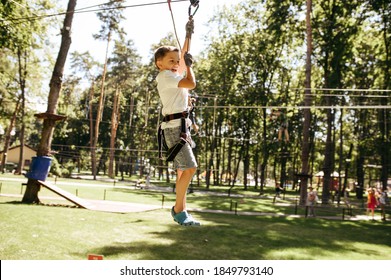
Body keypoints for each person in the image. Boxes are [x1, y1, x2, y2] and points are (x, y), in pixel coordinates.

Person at [154, 19, 200, 226]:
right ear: (160, 64)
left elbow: (183, 54)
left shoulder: (172, 75)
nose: (175, 64)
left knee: (184, 170)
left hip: (180, 128)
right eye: (171, 61)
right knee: (190, 169)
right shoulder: (166, 77)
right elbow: (191, 82)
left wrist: (188, 33)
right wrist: (189, 67)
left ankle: (183, 211)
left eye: (176, 61)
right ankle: (178, 210)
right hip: (174, 129)